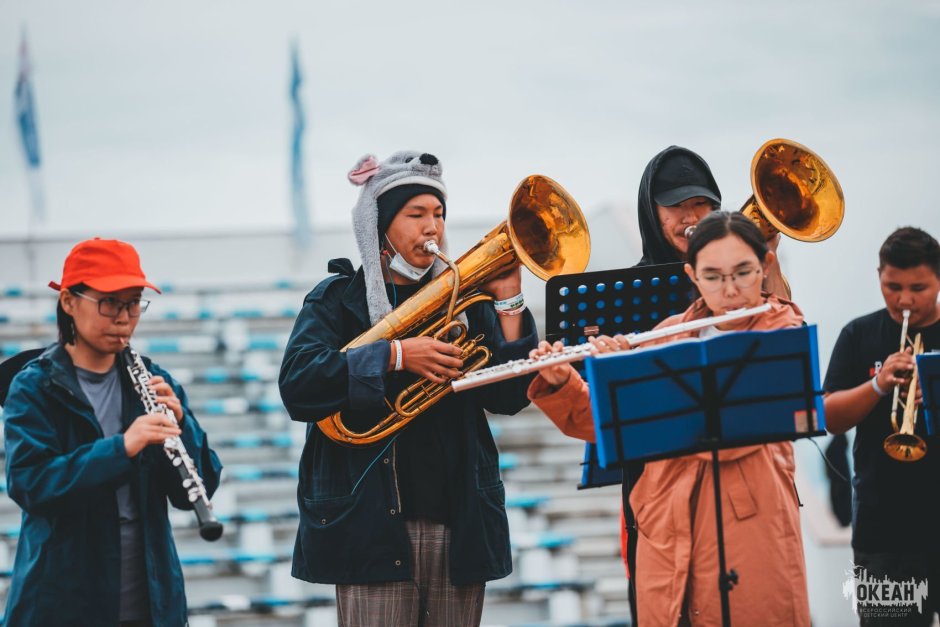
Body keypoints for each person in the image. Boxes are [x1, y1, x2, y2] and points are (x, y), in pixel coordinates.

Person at [279, 151, 539, 626]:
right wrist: (397, 355)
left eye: (439, 214)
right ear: (379, 226)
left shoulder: (467, 298)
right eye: (416, 214)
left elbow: (510, 396)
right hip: (370, 529)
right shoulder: (336, 299)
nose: (432, 228)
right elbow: (300, 385)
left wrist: (510, 303)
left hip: (457, 525)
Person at [528, 211, 811, 626]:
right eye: (712, 276)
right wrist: (569, 381)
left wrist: (648, 389)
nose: (729, 290)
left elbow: (749, 428)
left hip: (749, 526)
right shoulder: (668, 333)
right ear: (692, 276)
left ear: (765, 266)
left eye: (742, 273)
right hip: (667, 526)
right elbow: (606, 426)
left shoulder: (784, 330)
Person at [1, 237, 223, 626]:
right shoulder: (34, 387)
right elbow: (31, 484)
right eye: (109, 302)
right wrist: (122, 448)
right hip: (64, 602)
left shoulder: (154, 381)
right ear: (69, 302)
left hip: (151, 602)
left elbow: (195, 492)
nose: (123, 317)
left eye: (133, 303)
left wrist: (183, 426)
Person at [823, 226, 940, 625]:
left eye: (918, 288)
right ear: (879, 276)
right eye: (892, 286)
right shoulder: (859, 335)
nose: (904, 300)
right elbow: (829, 417)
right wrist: (876, 384)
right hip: (882, 534)